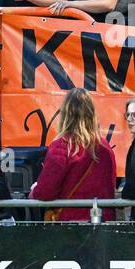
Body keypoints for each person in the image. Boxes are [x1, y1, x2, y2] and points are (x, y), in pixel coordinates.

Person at [30, 88, 118, 222]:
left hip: (71, 223)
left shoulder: (63, 145)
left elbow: (45, 192)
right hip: (103, 221)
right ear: (92, 113)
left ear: (65, 114)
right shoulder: (105, 147)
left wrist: (34, 190)